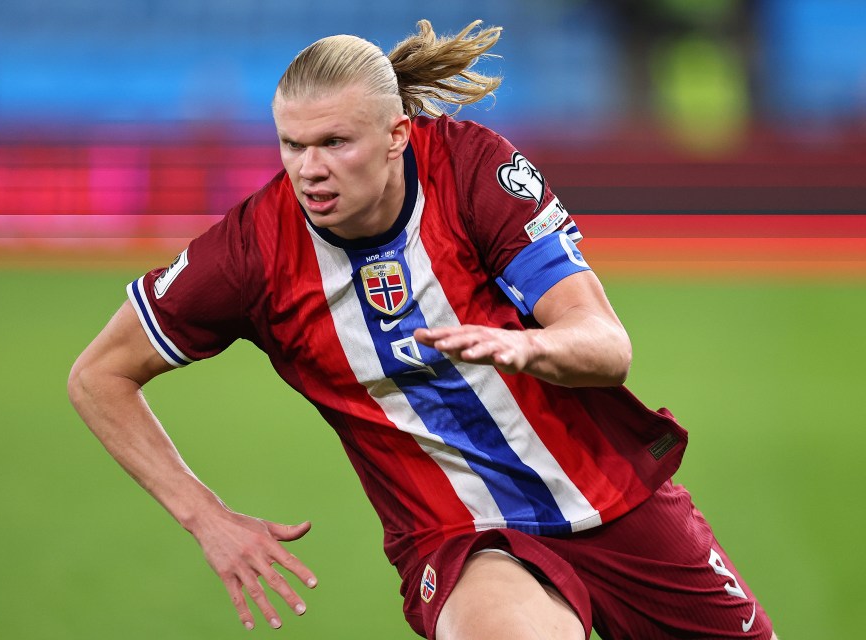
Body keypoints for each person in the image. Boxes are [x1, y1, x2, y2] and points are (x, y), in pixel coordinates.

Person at [68, 19, 777, 639]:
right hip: (461, 537)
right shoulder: (252, 251)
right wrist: (207, 519)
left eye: (334, 142)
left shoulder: (472, 171)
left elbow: (607, 347)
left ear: (396, 135)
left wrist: (528, 346)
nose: (309, 170)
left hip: (615, 497)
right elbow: (99, 375)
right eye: (292, 145)